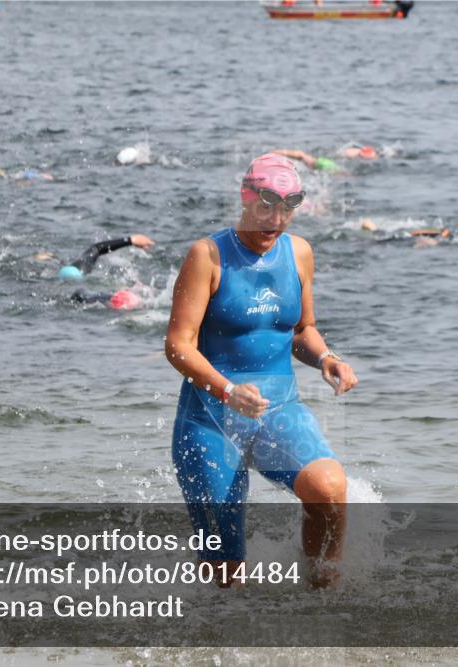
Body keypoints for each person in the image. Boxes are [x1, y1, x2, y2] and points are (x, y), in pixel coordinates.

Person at [165, 153, 358, 588]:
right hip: (211, 418)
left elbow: (302, 329)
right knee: (225, 571)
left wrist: (326, 358)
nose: (276, 220)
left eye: (287, 209)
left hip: (278, 409)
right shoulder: (208, 256)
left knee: (328, 488)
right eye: (266, 207)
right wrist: (228, 390)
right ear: (245, 199)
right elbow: (177, 346)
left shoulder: (300, 252)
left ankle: (324, 589)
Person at [273, 145, 378, 173]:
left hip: (328, 164)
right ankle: (276, 152)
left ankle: (276, 152)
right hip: (326, 165)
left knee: (303, 157)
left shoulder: (356, 151)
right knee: (302, 156)